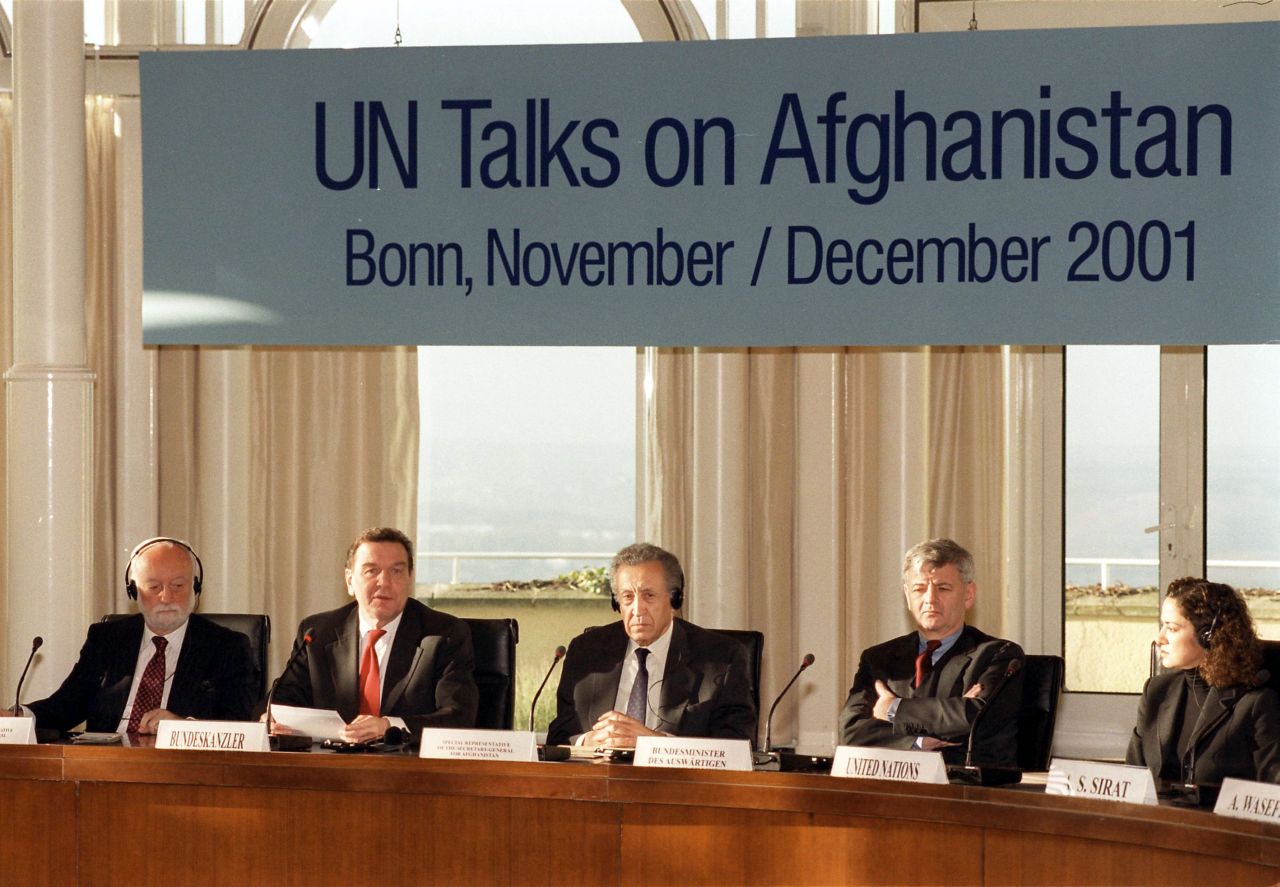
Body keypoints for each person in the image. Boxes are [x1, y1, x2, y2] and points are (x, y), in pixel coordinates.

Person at [16, 537, 256, 734]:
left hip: (184, 773)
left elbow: (238, 726)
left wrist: (183, 729)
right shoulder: (106, 639)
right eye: (154, 587)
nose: (166, 597)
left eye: (178, 586)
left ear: (196, 588)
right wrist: (16, 717)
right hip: (104, 768)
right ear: (134, 592)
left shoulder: (227, 647)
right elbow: (65, 707)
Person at [269, 526, 478, 742]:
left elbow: (458, 717)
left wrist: (389, 727)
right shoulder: (318, 632)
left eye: (396, 571)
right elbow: (282, 699)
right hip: (332, 765)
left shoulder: (445, 635)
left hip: (408, 768)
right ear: (350, 581)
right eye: (371, 571)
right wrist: (271, 718)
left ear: (410, 579)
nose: (384, 582)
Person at [546, 542, 756, 748]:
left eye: (649, 596)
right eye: (627, 597)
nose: (638, 610)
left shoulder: (721, 658)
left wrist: (654, 744)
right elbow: (560, 735)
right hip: (599, 778)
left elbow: (737, 744)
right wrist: (586, 742)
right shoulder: (586, 652)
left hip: (676, 781)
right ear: (615, 602)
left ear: (675, 599)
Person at [837, 538, 1024, 767]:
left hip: (962, 790)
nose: (930, 599)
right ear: (907, 595)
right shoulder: (878, 659)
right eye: (919, 589)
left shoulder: (999, 655)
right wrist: (919, 741)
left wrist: (892, 709)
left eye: (943, 588)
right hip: (892, 790)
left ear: (968, 594)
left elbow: (976, 718)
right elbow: (851, 732)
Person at [1127, 577, 1280, 789]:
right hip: (1156, 820)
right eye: (1162, 626)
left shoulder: (1255, 704)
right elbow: (1132, 779)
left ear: (1208, 636)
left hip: (1220, 822)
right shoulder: (1156, 691)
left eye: (1171, 628)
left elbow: (1273, 795)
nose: (1160, 638)